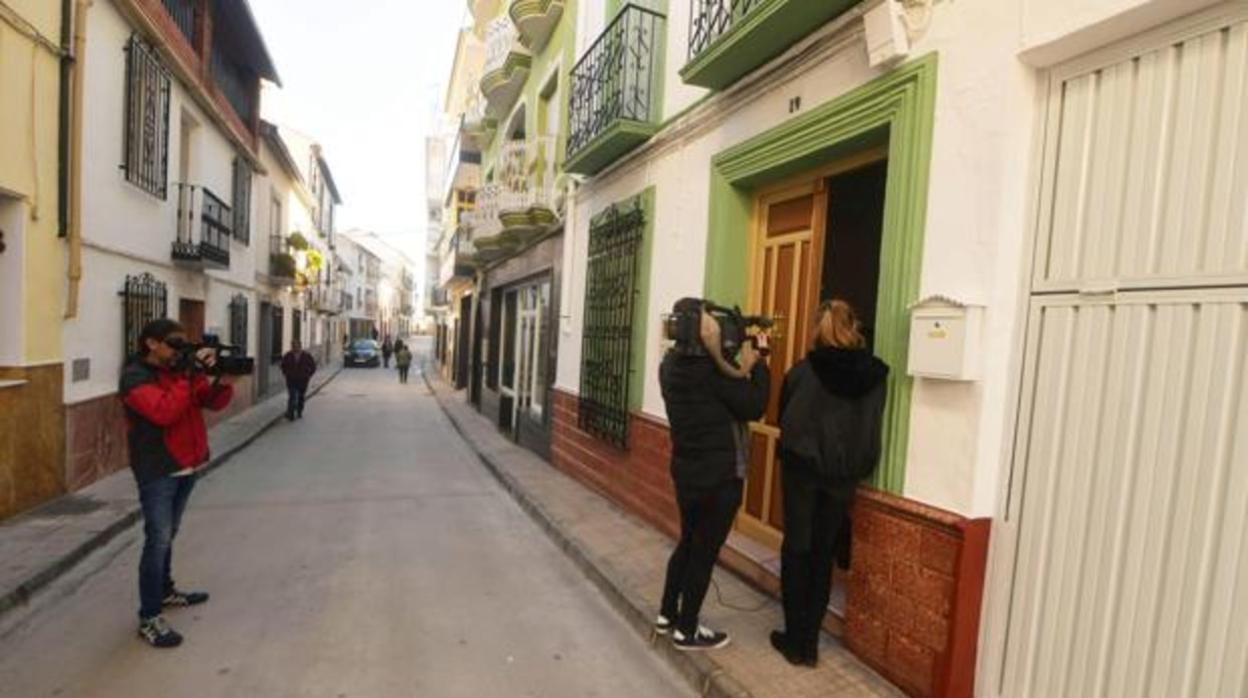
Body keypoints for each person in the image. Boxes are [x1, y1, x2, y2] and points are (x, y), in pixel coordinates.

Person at [771, 300, 888, 667]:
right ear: (852, 327)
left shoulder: (804, 371)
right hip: (844, 476)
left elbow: (784, 417)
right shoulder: (876, 377)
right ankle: (810, 643)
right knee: (822, 555)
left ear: (818, 328)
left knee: (797, 550)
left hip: (803, 472)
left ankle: (794, 640)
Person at [657, 298, 769, 651]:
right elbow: (754, 405)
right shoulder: (715, 373)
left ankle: (667, 615)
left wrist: (727, 357)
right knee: (703, 553)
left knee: (688, 541)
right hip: (719, 478)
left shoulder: (670, 366)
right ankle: (686, 629)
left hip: (686, 472)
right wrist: (760, 362)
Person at [119, 319, 235, 648]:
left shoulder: (179, 372)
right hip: (158, 471)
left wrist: (222, 381)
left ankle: (166, 591)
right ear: (151, 343)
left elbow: (210, 402)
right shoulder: (134, 377)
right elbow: (164, 411)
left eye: (183, 344)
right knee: (157, 540)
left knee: (168, 535)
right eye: (174, 343)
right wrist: (187, 374)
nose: (180, 350)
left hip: (187, 465)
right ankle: (149, 616)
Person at [280, 338, 317, 420]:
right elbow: (283, 365)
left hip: (303, 380)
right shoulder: (288, 355)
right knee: (292, 396)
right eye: (293, 346)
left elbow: (313, 366)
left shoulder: (306, 356)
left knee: (301, 396)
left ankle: (299, 411)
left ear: (300, 346)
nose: (295, 348)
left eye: (296, 346)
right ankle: (290, 413)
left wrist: (308, 375)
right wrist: (286, 373)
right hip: (291, 380)